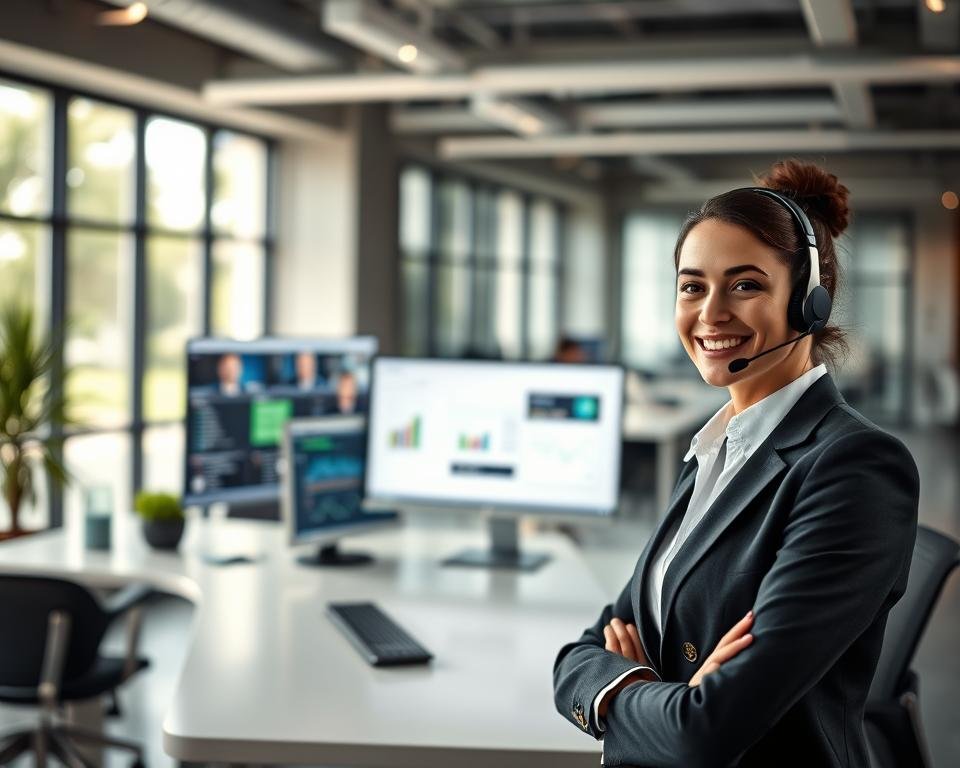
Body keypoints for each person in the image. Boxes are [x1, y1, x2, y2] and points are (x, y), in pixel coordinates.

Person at [553, 160, 919, 767]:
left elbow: (709, 732)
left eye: (746, 285)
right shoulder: (714, 450)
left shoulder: (855, 467)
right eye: (692, 286)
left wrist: (628, 691)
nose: (710, 313)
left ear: (809, 304)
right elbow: (583, 652)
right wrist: (656, 696)